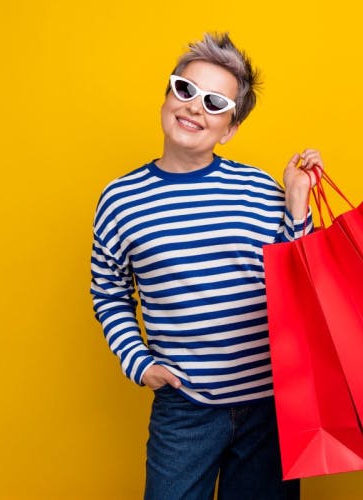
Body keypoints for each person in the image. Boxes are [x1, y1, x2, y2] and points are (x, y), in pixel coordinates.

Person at [90, 32, 322, 500]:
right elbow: (109, 292)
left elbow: (299, 280)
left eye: (215, 102)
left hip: (269, 407)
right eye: (185, 90)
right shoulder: (121, 200)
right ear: (166, 98)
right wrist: (140, 363)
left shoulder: (258, 189)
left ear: (230, 128)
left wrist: (297, 202)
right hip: (185, 408)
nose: (196, 107)